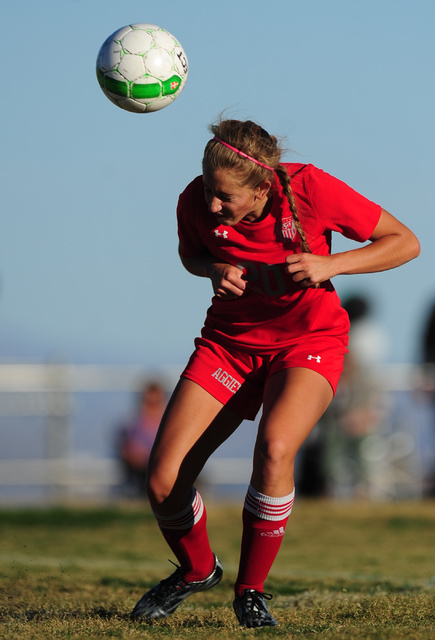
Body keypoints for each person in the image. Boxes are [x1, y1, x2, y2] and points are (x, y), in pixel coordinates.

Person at [131, 118, 420, 627]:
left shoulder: (310, 188)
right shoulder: (194, 200)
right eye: (207, 190)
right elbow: (191, 254)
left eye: (224, 196)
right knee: (162, 481)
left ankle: (251, 591)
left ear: (263, 186)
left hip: (308, 342)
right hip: (229, 347)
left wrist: (333, 265)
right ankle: (197, 570)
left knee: (276, 448)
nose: (213, 205)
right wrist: (211, 269)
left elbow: (405, 242)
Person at [117, 380, 167, 497]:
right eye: (149, 402)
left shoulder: (171, 424)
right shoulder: (131, 425)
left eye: (156, 402)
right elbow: (127, 452)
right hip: (140, 473)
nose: (152, 407)